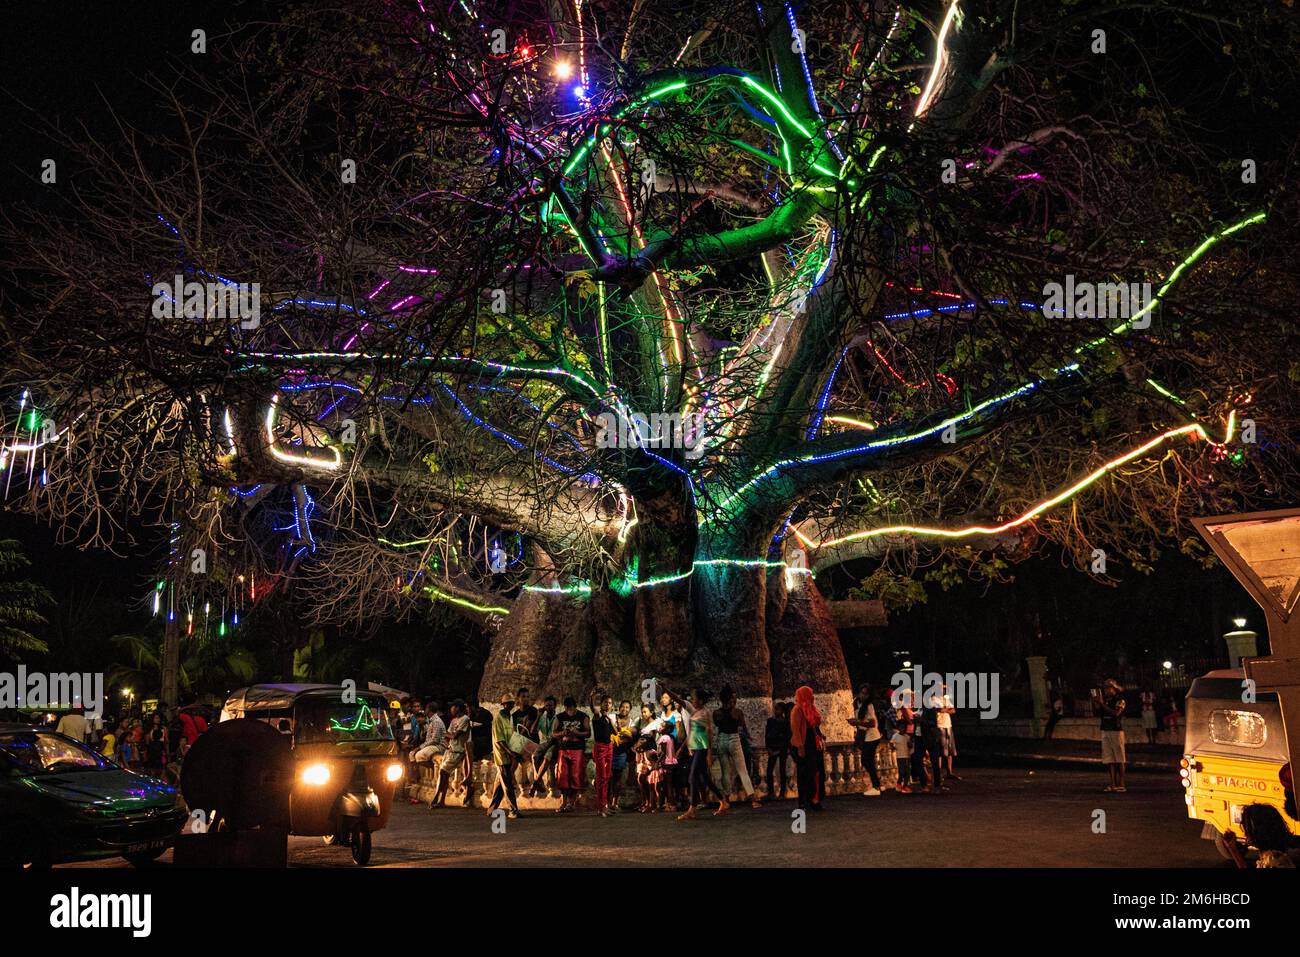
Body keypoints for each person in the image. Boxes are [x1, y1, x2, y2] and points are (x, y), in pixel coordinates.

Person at [678, 687, 727, 821]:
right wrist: (684, 748)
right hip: (694, 749)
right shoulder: (695, 712)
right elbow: (691, 733)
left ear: (700, 700)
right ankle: (723, 801)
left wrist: (710, 753)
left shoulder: (705, 713)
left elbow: (709, 733)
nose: (691, 700)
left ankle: (692, 809)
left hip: (702, 748)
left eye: (693, 698)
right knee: (705, 778)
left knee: (692, 777)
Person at [712, 685, 762, 807]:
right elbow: (742, 727)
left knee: (725, 772)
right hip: (734, 739)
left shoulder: (716, 713)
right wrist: (749, 737)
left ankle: (726, 800)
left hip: (721, 739)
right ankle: (753, 799)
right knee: (742, 770)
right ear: (730, 699)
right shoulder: (737, 712)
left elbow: (717, 725)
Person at [1224, 804, 1295, 869]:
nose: (1245, 833)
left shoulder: (1272, 860)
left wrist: (1233, 849)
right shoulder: (1275, 858)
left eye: (1246, 828)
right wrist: (1232, 849)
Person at [790, 686, 825, 811]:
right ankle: (803, 801)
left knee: (816, 772)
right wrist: (800, 747)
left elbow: (815, 726)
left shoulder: (811, 709)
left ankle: (814, 799)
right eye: (810, 694)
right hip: (804, 745)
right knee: (804, 774)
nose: (812, 697)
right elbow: (796, 730)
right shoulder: (798, 710)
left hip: (813, 745)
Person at [430, 700, 472, 807]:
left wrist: (448, 735)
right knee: (445, 775)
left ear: (457, 708)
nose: (451, 709)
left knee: (443, 773)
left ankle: (436, 798)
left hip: (458, 751)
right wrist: (448, 735)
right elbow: (448, 735)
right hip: (450, 750)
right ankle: (442, 800)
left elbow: (454, 736)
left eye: (452, 707)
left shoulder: (465, 719)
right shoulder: (454, 720)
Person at [486, 692, 521, 819]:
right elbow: (499, 741)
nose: (510, 706)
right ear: (504, 705)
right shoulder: (498, 719)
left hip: (507, 754)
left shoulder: (508, 718)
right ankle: (513, 810)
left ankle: (491, 809)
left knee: (501, 785)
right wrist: (511, 753)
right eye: (508, 704)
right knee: (508, 785)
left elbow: (510, 737)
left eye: (512, 703)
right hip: (501, 756)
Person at [553, 696, 590, 812]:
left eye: (572, 710)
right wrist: (562, 733)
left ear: (576, 707)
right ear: (565, 707)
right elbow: (553, 733)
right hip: (563, 749)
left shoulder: (583, 716)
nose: (570, 712)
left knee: (575, 776)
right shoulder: (559, 717)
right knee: (562, 776)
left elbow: (588, 733)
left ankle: (571, 803)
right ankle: (563, 802)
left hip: (577, 749)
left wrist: (577, 732)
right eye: (568, 709)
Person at [850, 684, 883, 796]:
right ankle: (877, 784)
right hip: (867, 737)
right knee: (868, 761)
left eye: (866, 693)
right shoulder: (859, 704)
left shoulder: (869, 705)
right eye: (862, 693)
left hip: (872, 736)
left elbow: (872, 723)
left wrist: (857, 722)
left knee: (866, 761)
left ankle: (876, 786)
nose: (863, 695)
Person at [1096, 679, 1127, 793]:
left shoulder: (1120, 700)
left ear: (1114, 689)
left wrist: (1101, 704)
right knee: (1109, 759)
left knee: (1119, 759)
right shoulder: (1106, 700)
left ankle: (1121, 784)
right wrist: (1098, 703)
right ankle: (1113, 784)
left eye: (1108, 688)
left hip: (1116, 730)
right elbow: (1099, 712)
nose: (1106, 690)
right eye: (1105, 688)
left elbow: (1116, 714)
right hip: (1105, 729)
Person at [529, 695, 559, 798]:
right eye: (546, 706)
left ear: (555, 706)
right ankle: (540, 783)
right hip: (544, 744)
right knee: (534, 757)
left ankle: (535, 784)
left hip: (555, 743)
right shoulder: (542, 717)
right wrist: (538, 716)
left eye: (551, 705)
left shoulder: (558, 718)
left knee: (547, 759)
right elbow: (533, 731)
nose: (548, 708)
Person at [591, 694, 616, 816]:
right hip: (600, 748)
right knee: (601, 778)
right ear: (601, 704)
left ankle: (604, 805)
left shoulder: (608, 718)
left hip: (609, 748)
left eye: (610, 703)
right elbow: (593, 710)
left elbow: (616, 732)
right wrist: (592, 699)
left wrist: (609, 719)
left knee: (607, 777)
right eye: (605, 702)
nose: (607, 704)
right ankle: (601, 808)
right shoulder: (597, 716)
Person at [610, 700, 635, 811]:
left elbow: (631, 737)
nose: (624, 709)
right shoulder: (611, 717)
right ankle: (606, 802)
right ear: (619, 707)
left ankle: (615, 802)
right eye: (622, 707)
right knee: (608, 777)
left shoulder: (631, 722)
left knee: (618, 778)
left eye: (627, 707)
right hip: (610, 751)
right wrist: (624, 735)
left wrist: (621, 736)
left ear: (630, 709)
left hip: (622, 753)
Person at [764, 701, 791, 800]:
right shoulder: (770, 721)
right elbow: (767, 735)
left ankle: (782, 792)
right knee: (769, 770)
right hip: (772, 748)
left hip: (781, 749)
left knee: (782, 770)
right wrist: (768, 748)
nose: (775, 711)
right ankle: (771, 792)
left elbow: (787, 738)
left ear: (782, 711)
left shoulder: (785, 723)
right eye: (775, 709)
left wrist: (780, 750)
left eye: (777, 709)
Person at [890, 722, 913, 793]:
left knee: (908, 772)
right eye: (901, 727)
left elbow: (910, 746)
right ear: (898, 728)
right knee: (901, 772)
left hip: (907, 756)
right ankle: (899, 784)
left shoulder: (907, 737)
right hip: (900, 757)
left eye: (904, 728)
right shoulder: (895, 736)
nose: (903, 729)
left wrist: (910, 744)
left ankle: (905, 786)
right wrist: (892, 748)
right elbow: (891, 742)